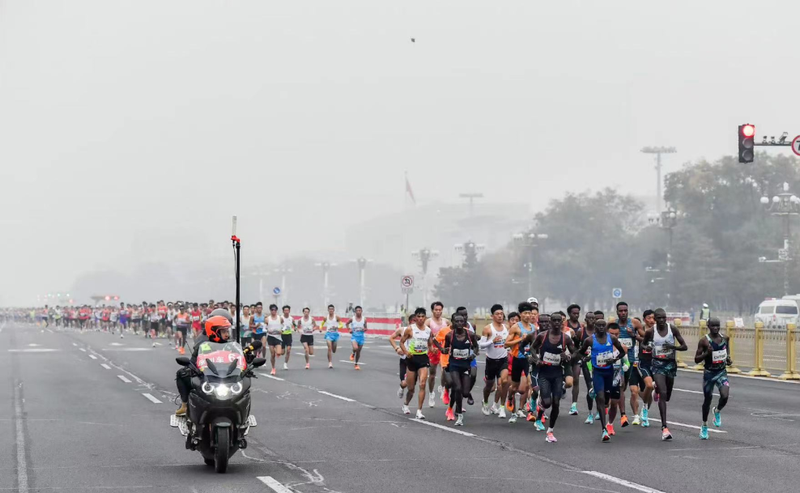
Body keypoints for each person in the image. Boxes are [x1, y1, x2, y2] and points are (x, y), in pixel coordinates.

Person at [576, 318, 627, 442]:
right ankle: (604, 429)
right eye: (598, 325)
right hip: (598, 372)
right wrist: (585, 358)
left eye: (603, 325)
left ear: (606, 327)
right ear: (595, 327)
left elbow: (621, 352)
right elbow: (580, 352)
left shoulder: (612, 339)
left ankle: (607, 422)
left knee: (609, 401)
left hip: (610, 373)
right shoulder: (589, 340)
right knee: (600, 398)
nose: (601, 328)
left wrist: (614, 360)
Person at [528, 312, 577, 443]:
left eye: (558, 321)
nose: (556, 323)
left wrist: (568, 357)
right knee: (547, 402)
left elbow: (575, 352)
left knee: (556, 402)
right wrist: (536, 359)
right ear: (550, 322)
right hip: (544, 373)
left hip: (557, 373)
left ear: (561, 323)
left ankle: (550, 431)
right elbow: (532, 349)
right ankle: (540, 409)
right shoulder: (542, 336)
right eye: (554, 320)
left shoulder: (565, 338)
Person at [642, 308, 688, 440]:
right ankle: (664, 428)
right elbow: (643, 345)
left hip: (670, 364)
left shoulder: (672, 329)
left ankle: (656, 391)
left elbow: (684, 346)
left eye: (664, 318)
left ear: (666, 318)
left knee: (667, 396)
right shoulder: (651, 331)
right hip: (657, 364)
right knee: (663, 393)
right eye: (659, 318)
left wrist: (672, 347)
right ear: (655, 319)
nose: (661, 320)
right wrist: (648, 348)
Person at [174, 314, 232, 416]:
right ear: (214, 331)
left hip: (227, 376)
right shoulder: (203, 345)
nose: (227, 334)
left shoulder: (230, 345)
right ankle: (185, 405)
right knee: (181, 373)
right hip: (206, 377)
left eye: (227, 331)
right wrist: (192, 368)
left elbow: (239, 359)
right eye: (224, 331)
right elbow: (192, 362)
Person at [400, 307, 443, 419]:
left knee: (422, 384)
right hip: (412, 359)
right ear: (415, 318)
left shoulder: (428, 330)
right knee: (411, 388)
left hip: (423, 358)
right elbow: (401, 342)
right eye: (418, 317)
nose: (420, 319)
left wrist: (432, 349)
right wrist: (406, 352)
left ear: (425, 317)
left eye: (422, 316)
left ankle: (419, 410)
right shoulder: (410, 329)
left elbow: (429, 343)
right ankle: (406, 404)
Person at [694, 317, 731, 439]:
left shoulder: (725, 338)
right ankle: (704, 425)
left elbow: (727, 353)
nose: (715, 328)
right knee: (707, 400)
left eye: (717, 326)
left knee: (725, 396)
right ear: (708, 326)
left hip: (721, 372)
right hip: (709, 374)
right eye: (713, 326)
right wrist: (706, 354)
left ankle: (717, 410)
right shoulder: (704, 341)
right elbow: (696, 359)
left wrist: (729, 360)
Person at [442, 313, 478, 426]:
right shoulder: (449, 335)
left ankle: (462, 401)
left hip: (466, 365)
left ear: (464, 323)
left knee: (465, 393)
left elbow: (476, 347)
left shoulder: (470, 335)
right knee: (457, 387)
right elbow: (446, 348)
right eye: (456, 321)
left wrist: (474, 355)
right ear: (453, 323)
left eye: (461, 321)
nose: (459, 323)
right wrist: (444, 350)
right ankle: (459, 414)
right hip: (454, 365)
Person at [504, 302, 535, 423]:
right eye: (525, 313)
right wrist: (520, 339)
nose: (528, 315)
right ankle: (511, 399)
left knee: (530, 383)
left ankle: (531, 411)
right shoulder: (516, 327)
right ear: (521, 314)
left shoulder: (533, 328)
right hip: (517, 359)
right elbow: (506, 343)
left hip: (528, 360)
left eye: (529, 313)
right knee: (514, 387)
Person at [615, 301, 644, 427]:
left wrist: (634, 335)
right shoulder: (613, 324)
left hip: (631, 360)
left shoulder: (634, 323)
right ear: (617, 312)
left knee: (626, 387)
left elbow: (645, 339)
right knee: (621, 387)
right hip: (617, 361)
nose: (623, 313)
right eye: (620, 311)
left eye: (625, 310)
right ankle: (623, 415)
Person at [479, 304, 510, 418]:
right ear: (492, 316)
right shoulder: (488, 328)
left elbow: (509, 342)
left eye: (501, 314)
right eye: (497, 314)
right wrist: (492, 341)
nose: (500, 316)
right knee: (489, 386)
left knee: (503, 383)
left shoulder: (507, 327)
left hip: (503, 360)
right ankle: (485, 402)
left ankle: (501, 408)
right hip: (491, 361)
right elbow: (481, 346)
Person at [424, 301, 451, 408]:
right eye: (436, 310)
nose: (438, 312)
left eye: (440, 310)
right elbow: (425, 336)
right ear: (432, 310)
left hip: (444, 349)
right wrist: (430, 347)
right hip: (433, 350)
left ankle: (443, 387)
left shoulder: (446, 322)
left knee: (444, 369)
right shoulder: (428, 322)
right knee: (432, 374)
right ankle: (431, 394)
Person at [637, 310, 657, 427]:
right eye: (649, 318)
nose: (652, 320)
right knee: (649, 386)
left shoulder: (659, 332)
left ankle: (645, 414)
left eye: (654, 318)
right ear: (644, 319)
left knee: (652, 392)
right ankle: (644, 408)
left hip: (657, 364)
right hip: (643, 363)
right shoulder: (641, 331)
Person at [389, 314, 415, 398]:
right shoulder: (402, 330)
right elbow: (391, 338)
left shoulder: (422, 331)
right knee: (404, 383)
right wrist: (397, 348)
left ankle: (406, 404)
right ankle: (401, 387)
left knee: (412, 385)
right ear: (410, 322)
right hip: (404, 360)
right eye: (413, 321)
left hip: (415, 360)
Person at [265, 304, 284, 375]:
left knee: (279, 353)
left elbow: (283, 326)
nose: (274, 311)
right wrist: (267, 330)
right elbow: (264, 327)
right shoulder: (267, 319)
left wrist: (282, 330)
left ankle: (277, 351)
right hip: (270, 337)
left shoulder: (280, 318)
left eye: (275, 310)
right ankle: (273, 368)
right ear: (270, 311)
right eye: (272, 310)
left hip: (278, 337)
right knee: (272, 354)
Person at [348, 306, 368, 370]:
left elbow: (366, 328)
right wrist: (349, 329)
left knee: (358, 352)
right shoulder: (352, 319)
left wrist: (364, 329)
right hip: (354, 337)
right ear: (355, 311)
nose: (358, 312)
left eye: (360, 310)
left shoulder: (364, 319)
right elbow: (346, 324)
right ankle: (353, 353)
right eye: (357, 310)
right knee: (355, 348)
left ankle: (356, 364)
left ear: (361, 311)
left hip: (361, 337)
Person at [323, 305, 342, 369]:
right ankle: (330, 363)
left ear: (334, 310)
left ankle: (330, 360)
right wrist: (320, 328)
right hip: (328, 334)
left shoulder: (337, 317)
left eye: (332, 309)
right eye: (329, 309)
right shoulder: (326, 317)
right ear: (328, 310)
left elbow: (341, 325)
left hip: (335, 334)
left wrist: (337, 327)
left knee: (334, 350)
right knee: (329, 348)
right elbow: (322, 324)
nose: (331, 310)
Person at [281, 305, 295, 370]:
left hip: (289, 335)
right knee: (282, 352)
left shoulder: (291, 318)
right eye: (285, 310)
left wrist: (295, 328)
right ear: (283, 311)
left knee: (288, 350)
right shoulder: (281, 318)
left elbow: (294, 325)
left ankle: (285, 363)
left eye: (287, 310)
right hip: (282, 335)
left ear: (289, 311)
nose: (286, 312)